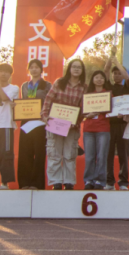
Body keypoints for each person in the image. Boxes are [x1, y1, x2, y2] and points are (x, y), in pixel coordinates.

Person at [41, 59, 87, 190]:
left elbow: (84, 107)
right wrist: (45, 116)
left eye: (79, 67)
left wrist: (77, 121)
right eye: (74, 66)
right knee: (54, 153)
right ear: (69, 69)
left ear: (82, 71)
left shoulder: (84, 87)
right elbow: (48, 99)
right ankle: (56, 182)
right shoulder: (59, 82)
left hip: (72, 126)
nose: (76, 69)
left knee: (70, 154)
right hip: (55, 123)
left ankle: (69, 182)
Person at [16, 59, 51, 190]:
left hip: (40, 122)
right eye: (32, 67)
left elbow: (50, 102)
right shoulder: (25, 85)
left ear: (41, 69)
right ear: (29, 69)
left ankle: (37, 184)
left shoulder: (47, 85)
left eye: (37, 67)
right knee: (25, 152)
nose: (34, 69)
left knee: (39, 153)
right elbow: (23, 101)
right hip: (26, 121)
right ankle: (25, 183)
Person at [104, 56, 129, 190]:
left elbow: (128, 79)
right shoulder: (108, 87)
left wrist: (117, 62)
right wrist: (110, 59)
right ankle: (109, 182)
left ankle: (123, 182)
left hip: (123, 125)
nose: (117, 76)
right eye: (115, 73)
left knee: (123, 154)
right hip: (109, 125)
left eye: (119, 73)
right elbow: (105, 71)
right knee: (108, 154)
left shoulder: (126, 88)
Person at [82, 70, 112, 191]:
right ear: (92, 80)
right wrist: (87, 115)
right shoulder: (87, 94)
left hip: (103, 129)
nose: (99, 79)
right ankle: (89, 180)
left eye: (101, 77)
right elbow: (81, 111)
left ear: (105, 80)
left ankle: (100, 180)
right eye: (96, 77)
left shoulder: (108, 94)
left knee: (101, 156)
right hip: (88, 129)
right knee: (89, 157)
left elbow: (113, 110)